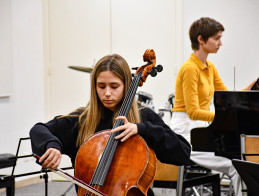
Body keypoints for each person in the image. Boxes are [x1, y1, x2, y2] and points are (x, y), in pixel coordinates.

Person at [30, 53, 191, 195]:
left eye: (114, 86)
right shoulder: (81, 120)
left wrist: (142, 129)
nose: (107, 93)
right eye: (101, 86)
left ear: (126, 86)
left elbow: (183, 153)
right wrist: (51, 145)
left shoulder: (144, 116)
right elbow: (39, 129)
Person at [170, 17, 256, 196]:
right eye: (216, 38)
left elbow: (228, 98)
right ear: (201, 39)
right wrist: (222, 117)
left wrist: (253, 86)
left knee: (243, 161)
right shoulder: (189, 68)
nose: (220, 43)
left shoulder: (209, 67)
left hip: (201, 130)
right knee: (237, 167)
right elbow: (193, 112)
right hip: (185, 134)